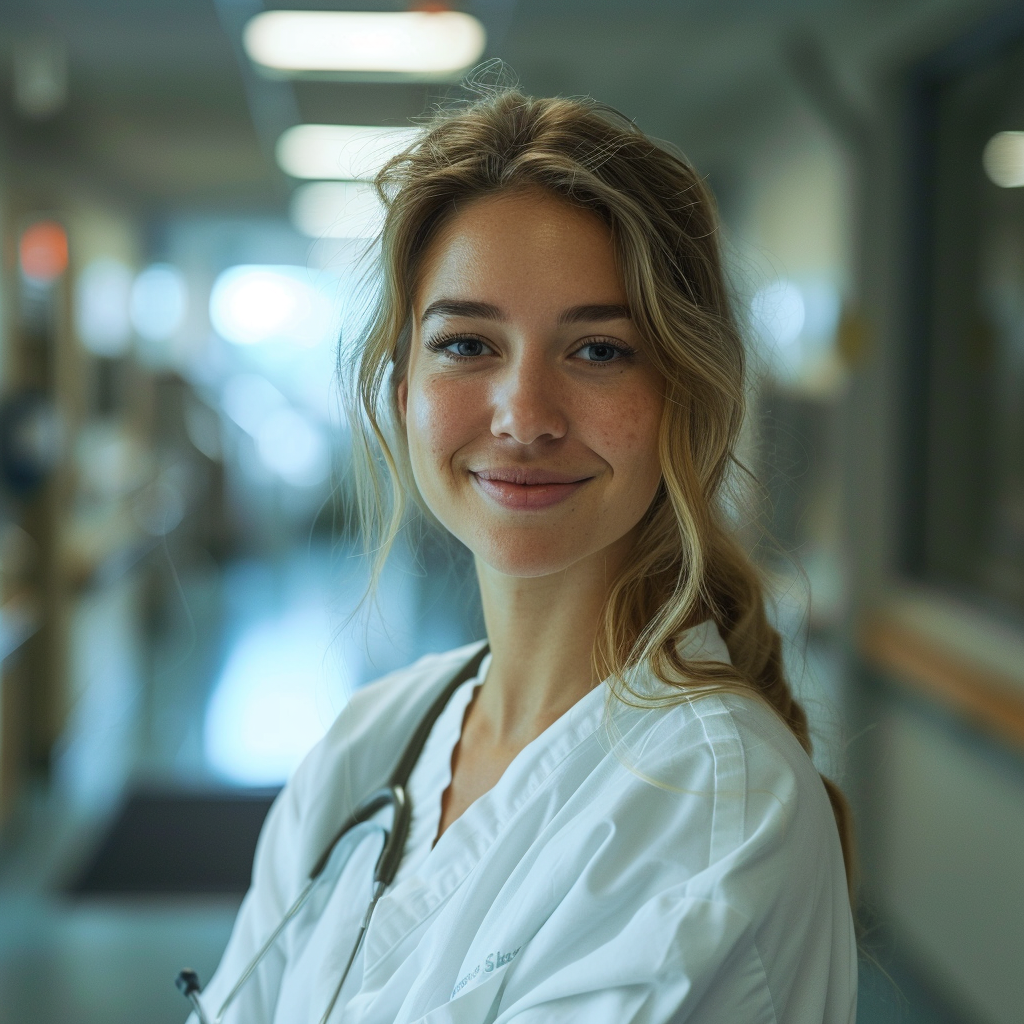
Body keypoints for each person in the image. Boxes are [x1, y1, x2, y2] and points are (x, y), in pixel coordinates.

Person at [186, 88, 856, 1024]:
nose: (525, 416)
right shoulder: (373, 742)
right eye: (466, 343)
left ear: (685, 394)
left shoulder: (711, 808)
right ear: (402, 385)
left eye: (598, 350)